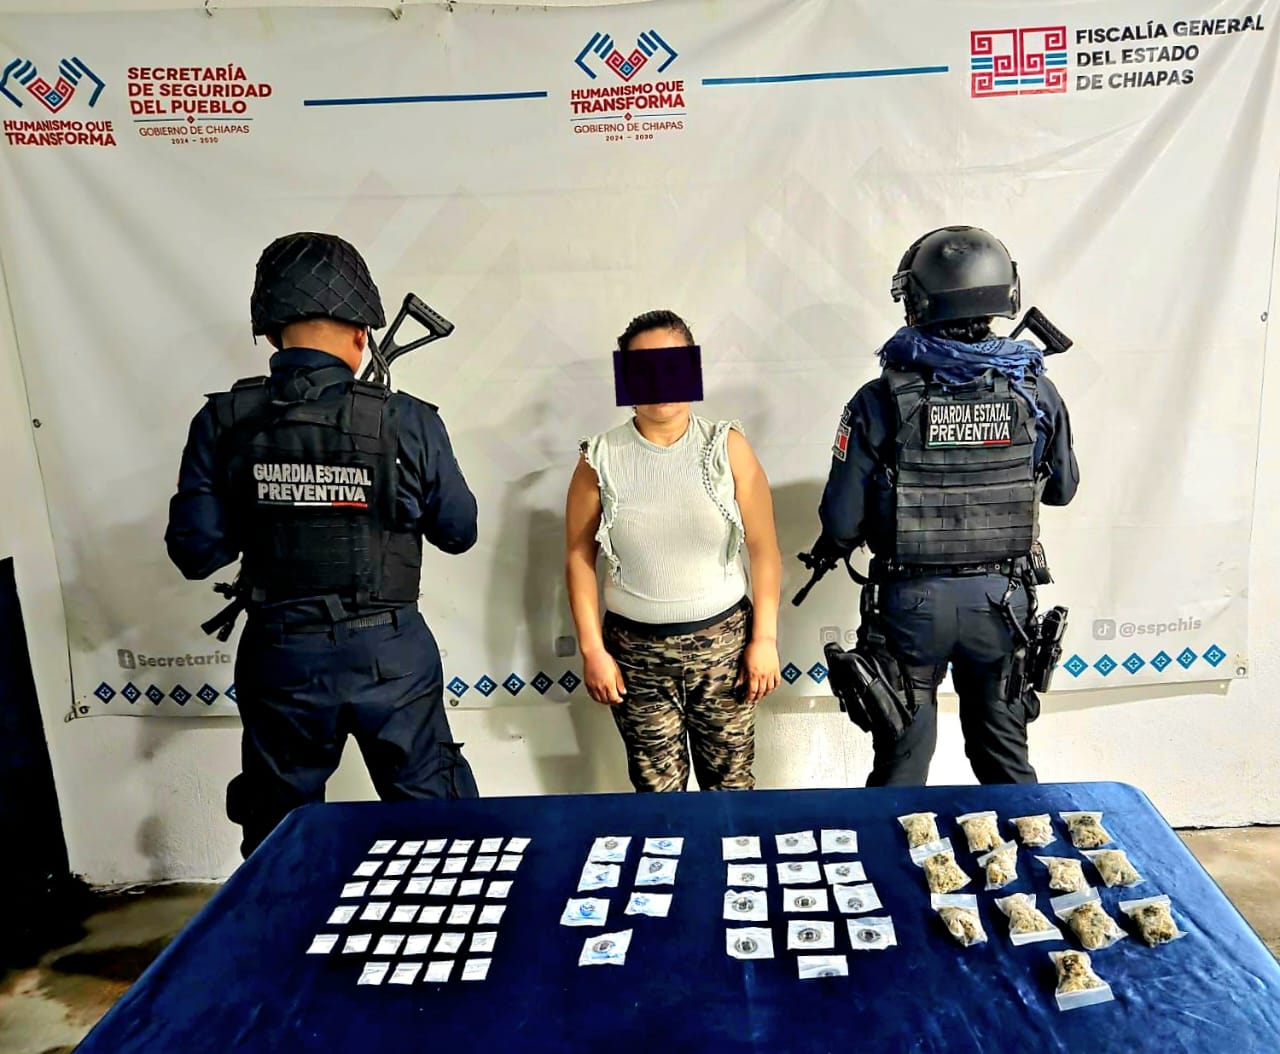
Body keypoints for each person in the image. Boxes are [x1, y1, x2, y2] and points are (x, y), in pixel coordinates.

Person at [165, 232, 479, 857]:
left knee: (281, 837)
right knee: (438, 828)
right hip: (391, 654)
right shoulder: (406, 419)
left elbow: (197, 553)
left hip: (282, 656)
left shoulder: (224, 420)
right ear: (363, 334)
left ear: (270, 333)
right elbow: (458, 532)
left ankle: (286, 924)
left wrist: (266, 497)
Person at [815, 226, 1079, 786]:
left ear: (917, 301)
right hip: (1002, 604)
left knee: (902, 768)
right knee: (1006, 765)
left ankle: (889, 851)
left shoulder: (879, 399)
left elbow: (840, 519)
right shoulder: (1035, 389)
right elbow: (1062, 490)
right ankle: (1026, 845)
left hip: (911, 606)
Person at [565, 310, 782, 792]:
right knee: (658, 800)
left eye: (672, 366)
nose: (660, 382)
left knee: (731, 792)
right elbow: (579, 557)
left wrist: (765, 640)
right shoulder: (598, 459)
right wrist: (592, 650)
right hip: (635, 657)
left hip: (724, 649)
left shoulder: (727, 447)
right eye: (644, 368)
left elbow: (765, 549)